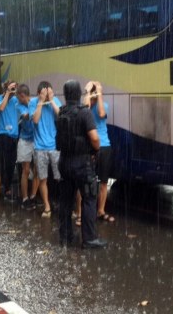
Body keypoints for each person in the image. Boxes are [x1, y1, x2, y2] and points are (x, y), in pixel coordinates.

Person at [56, 80, 107, 249]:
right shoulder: (84, 113)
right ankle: (89, 239)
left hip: (64, 162)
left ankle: (65, 236)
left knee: (66, 201)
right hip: (82, 164)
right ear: (79, 94)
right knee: (89, 199)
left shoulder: (61, 112)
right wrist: (97, 148)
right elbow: (94, 138)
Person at [75, 81, 115, 226]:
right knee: (84, 182)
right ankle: (79, 213)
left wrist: (99, 94)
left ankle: (101, 211)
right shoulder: (85, 106)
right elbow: (84, 108)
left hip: (104, 146)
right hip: (89, 146)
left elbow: (101, 113)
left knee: (103, 182)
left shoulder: (103, 105)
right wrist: (87, 92)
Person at [28, 81, 62, 218]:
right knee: (42, 178)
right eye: (43, 93)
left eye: (48, 93)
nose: (46, 95)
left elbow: (60, 115)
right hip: (39, 147)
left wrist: (51, 100)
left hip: (54, 146)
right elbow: (35, 120)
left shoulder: (55, 100)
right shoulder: (33, 102)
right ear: (38, 93)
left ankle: (62, 204)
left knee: (60, 177)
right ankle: (47, 206)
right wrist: (41, 102)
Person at [0, 80, 20, 200]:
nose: (13, 91)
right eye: (11, 88)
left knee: (12, 162)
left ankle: (8, 185)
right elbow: (1, 108)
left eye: (14, 88)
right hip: (3, 134)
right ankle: (6, 188)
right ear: (5, 89)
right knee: (5, 162)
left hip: (14, 135)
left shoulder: (16, 99)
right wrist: (7, 93)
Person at [16, 84, 39, 209]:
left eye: (19, 97)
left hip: (36, 139)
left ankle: (33, 196)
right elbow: (26, 115)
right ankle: (24, 198)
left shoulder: (35, 102)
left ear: (23, 95)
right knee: (25, 170)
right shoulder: (19, 106)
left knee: (37, 170)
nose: (18, 100)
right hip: (25, 140)